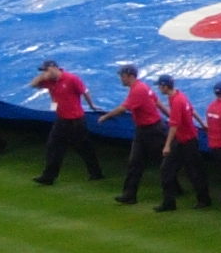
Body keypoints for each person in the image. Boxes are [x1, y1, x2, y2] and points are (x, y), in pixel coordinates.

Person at [97, 63, 168, 205]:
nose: (121, 79)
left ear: (130, 76)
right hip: (145, 130)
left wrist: (106, 117)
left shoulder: (138, 90)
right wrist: (170, 115)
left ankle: (172, 190)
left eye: (122, 76)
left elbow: (123, 108)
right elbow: (157, 102)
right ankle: (129, 195)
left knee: (163, 162)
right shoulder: (143, 87)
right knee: (136, 162)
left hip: (152, 130)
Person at [30, 58, 104, 184]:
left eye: (46, 70)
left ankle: (96, 172)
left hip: (75, 120)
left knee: (83, 147)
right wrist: (43, 76)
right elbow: (33, 85)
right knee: (53, 147)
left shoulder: (71, 79)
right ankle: (48, 177)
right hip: (61, 119)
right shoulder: (48, 80)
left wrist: (91, 106)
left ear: (54, 68)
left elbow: (84, 92)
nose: (45, 73)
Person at [154, 74, 210, 210]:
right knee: (182, 170)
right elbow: (192, 111)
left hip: (185, 141)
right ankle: (171, 202)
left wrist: (167, 145)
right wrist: (202, 123)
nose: (159, 89)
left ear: (165, 86)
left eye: (160, 86)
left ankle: (201, 199)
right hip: (186, 139)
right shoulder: (179, 96)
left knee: (191, 171)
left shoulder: (177, 101)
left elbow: (174, 125)